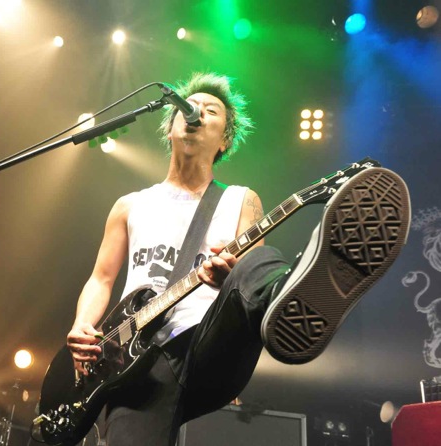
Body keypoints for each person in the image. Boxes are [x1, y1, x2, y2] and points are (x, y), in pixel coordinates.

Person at [65, 72, 411, 446]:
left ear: (225, 139)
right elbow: (101, 279)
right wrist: (83, 324)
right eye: (189, 107)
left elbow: (247, 274)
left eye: (211, 111)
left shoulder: (239, 199)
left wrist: (228, 276)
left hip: (207, 340)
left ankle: (285, 295)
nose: (196, 113)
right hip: (133, 361)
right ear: (170, 127)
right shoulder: (130, 205)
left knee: (250, 265)